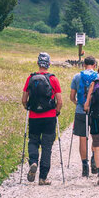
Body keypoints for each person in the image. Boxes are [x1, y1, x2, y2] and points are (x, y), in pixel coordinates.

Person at [21, 52, 63, 185]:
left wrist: (28, 108)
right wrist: (56, 111)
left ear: (38, 63)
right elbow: (60, 101)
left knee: (33, 141)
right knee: (46, 147)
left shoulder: (30, 78)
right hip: (49, 117)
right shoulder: (53, 79)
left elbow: (24, 99)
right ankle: (43, 178)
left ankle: (33, 162)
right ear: (49, 64)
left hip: (34, 117)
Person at [70, 55, 99, 177]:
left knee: (83, 138)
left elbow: (72, 97)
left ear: (83, 65)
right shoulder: (98, 77)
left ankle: (84, 165)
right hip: (95, 111)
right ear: (94, 65)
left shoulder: (77, 77)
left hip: (81, 111)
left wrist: (78, 104)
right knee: (95, 136)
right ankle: (94, 158)